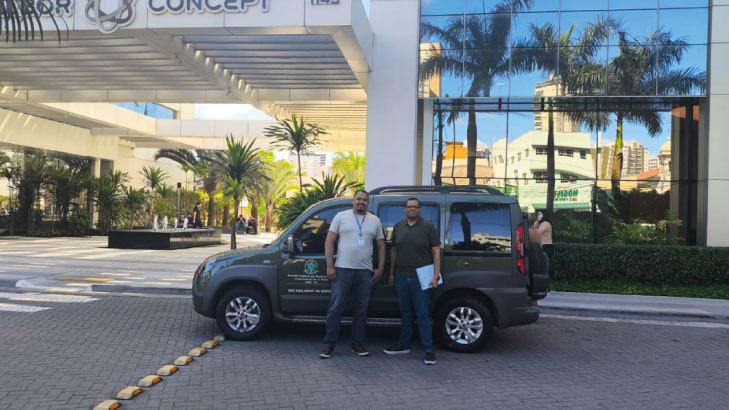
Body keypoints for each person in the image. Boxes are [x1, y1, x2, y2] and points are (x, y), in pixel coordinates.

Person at [320, 190, 386, 359]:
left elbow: (381, 246)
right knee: (336, 308)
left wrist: (380, 269)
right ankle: (329, 344)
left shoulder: (375, 220)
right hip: (342, 269)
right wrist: (330, 266)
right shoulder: (341, 216)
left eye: (364, 200)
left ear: (368, 203)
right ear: (353, 200)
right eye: (358, 199)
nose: (361, 202)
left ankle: (357, 344)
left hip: (365, 272)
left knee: (361, 310)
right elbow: (329, 240)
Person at [383, 198, 441, 365]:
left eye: (415, 207)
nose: (412, 209)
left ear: (420, 210)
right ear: (405, 209)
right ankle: (403, 345)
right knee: (406, 313)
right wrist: (391, 274)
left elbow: (436, 252)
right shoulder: (398, 226)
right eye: (409, 207)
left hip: (422, 277)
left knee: (422, 314)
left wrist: (435, 277)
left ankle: (429, 350)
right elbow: (394, 251)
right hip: (401, 276)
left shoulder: (428, 227)